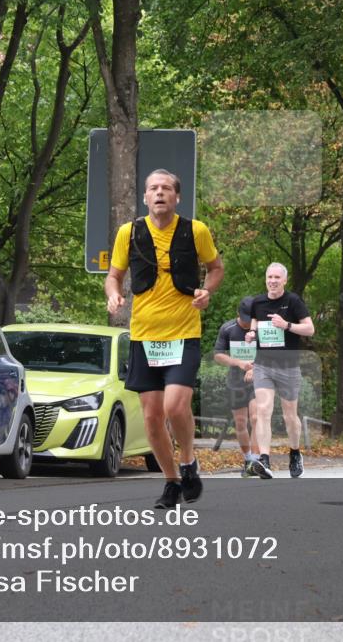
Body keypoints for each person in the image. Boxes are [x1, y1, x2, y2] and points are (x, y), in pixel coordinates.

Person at [105, 169, 224, 508]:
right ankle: (171, 481)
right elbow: (114, 276)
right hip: (144, 336)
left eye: (167, 188)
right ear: (145, 197)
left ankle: (187, 461)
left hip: (183, 333)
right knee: (152, 417)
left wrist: (207, 292)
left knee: (175, 406)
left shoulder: (195, 231)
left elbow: (216, 268)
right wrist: (113, 295)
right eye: (153, 188)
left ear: (177, 197)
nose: (160, 193)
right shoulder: (128, 233)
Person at [245, 263, 314, 478]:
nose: (272, 281)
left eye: (277, 277)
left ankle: (294, 452)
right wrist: (251, 335)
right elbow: (254, 325)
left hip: (288, 365)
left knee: (289, 417)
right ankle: (264, 460)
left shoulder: (293, 301)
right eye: (269, 277)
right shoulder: (257, 302)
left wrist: (287, 325)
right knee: (263, 409)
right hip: (264, 365)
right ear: (265, 279)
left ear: (284, 280)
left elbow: (310, 329)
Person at [213, 297, 270, 478]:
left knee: (255, 417)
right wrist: (238, 363)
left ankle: (255, 460)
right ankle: (247, 459)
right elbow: (218, 355)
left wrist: (256, 367)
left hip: (259, 379)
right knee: (240, 422)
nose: (248, 323)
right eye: (246, 319)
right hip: (236, 381)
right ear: (238, 314)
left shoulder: (263, 328)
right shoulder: (228, 329)